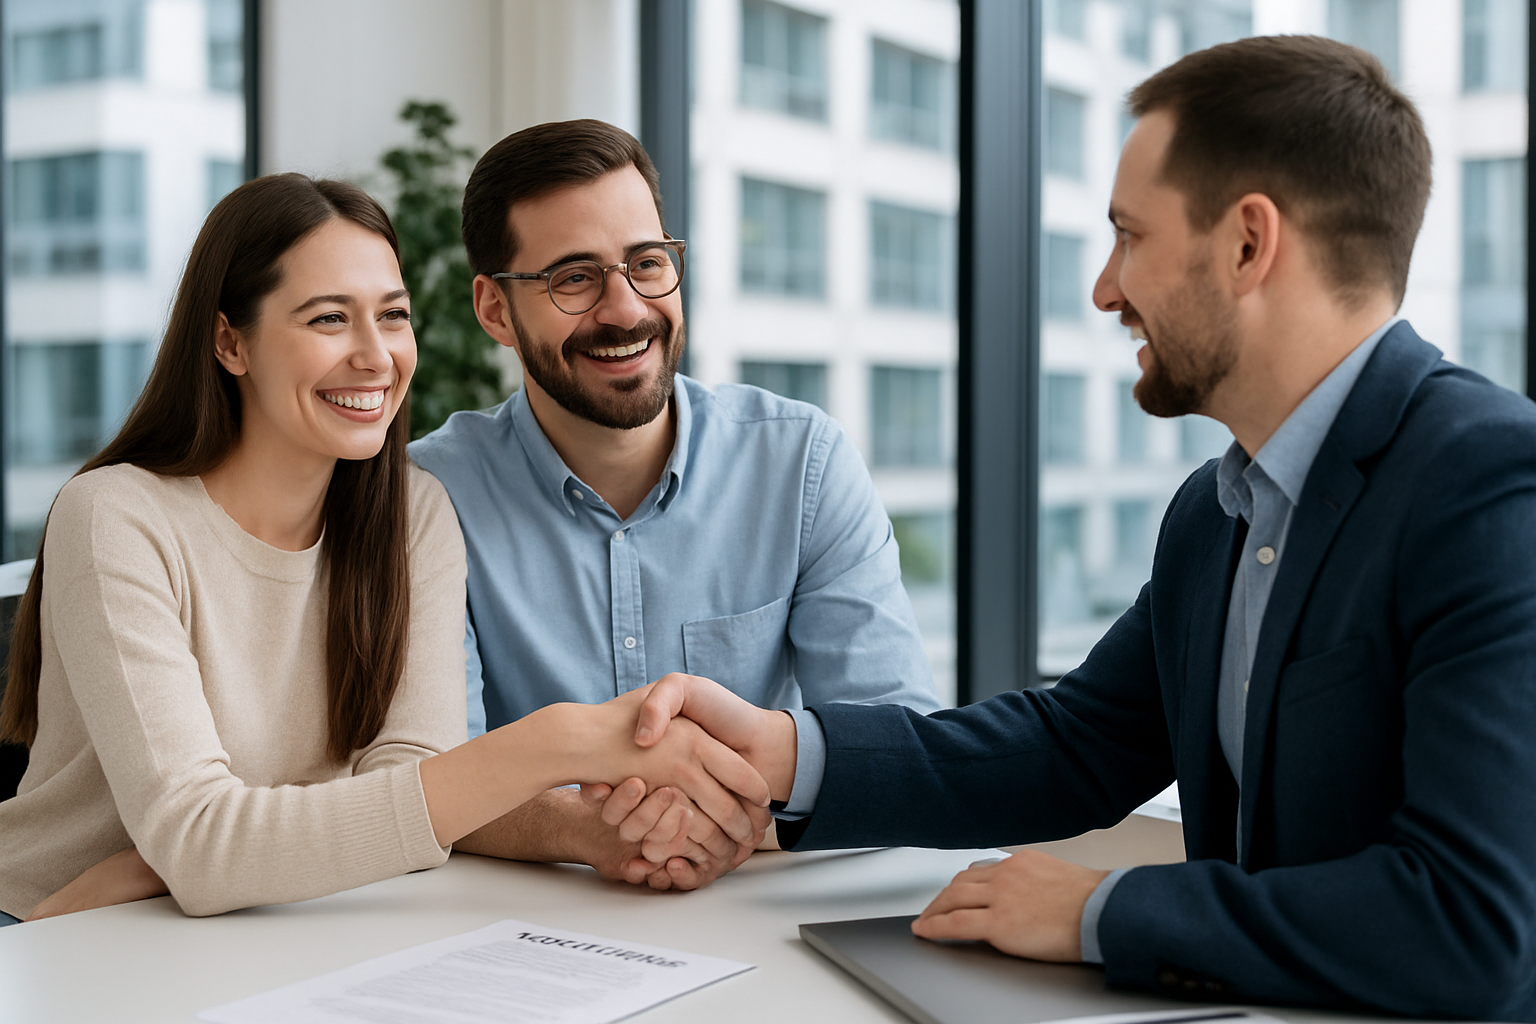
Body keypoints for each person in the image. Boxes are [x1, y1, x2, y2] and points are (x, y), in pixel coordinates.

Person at [599, 36, 1536, 1020]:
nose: (1105, 288)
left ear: (1249, 244)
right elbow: (1080, 743)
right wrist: (786, 751)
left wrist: (1105, 908)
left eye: (1130, 235)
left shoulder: (1489, 483)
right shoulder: (1216, 513)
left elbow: (1471, 922)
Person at [0, 174, 769, 926]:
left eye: (392, 316)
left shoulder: (412, 512)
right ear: (230, 341)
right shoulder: (116, 517)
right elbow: (213, 845)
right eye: (329, 319)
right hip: (60, 932)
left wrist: (166, 863)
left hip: (267, 919)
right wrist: (559, 743)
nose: (375, 357)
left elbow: (404, 790)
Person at [407, 120, 941, 890]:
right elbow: (430, 773)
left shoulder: (802, 463)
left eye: (647, 263)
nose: (625, 310)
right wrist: (586, 833)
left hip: (768, 924)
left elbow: (898, 751)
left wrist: (716, 828)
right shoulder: (428, 495)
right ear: (494, 311)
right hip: (527, 934)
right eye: (573, 278)